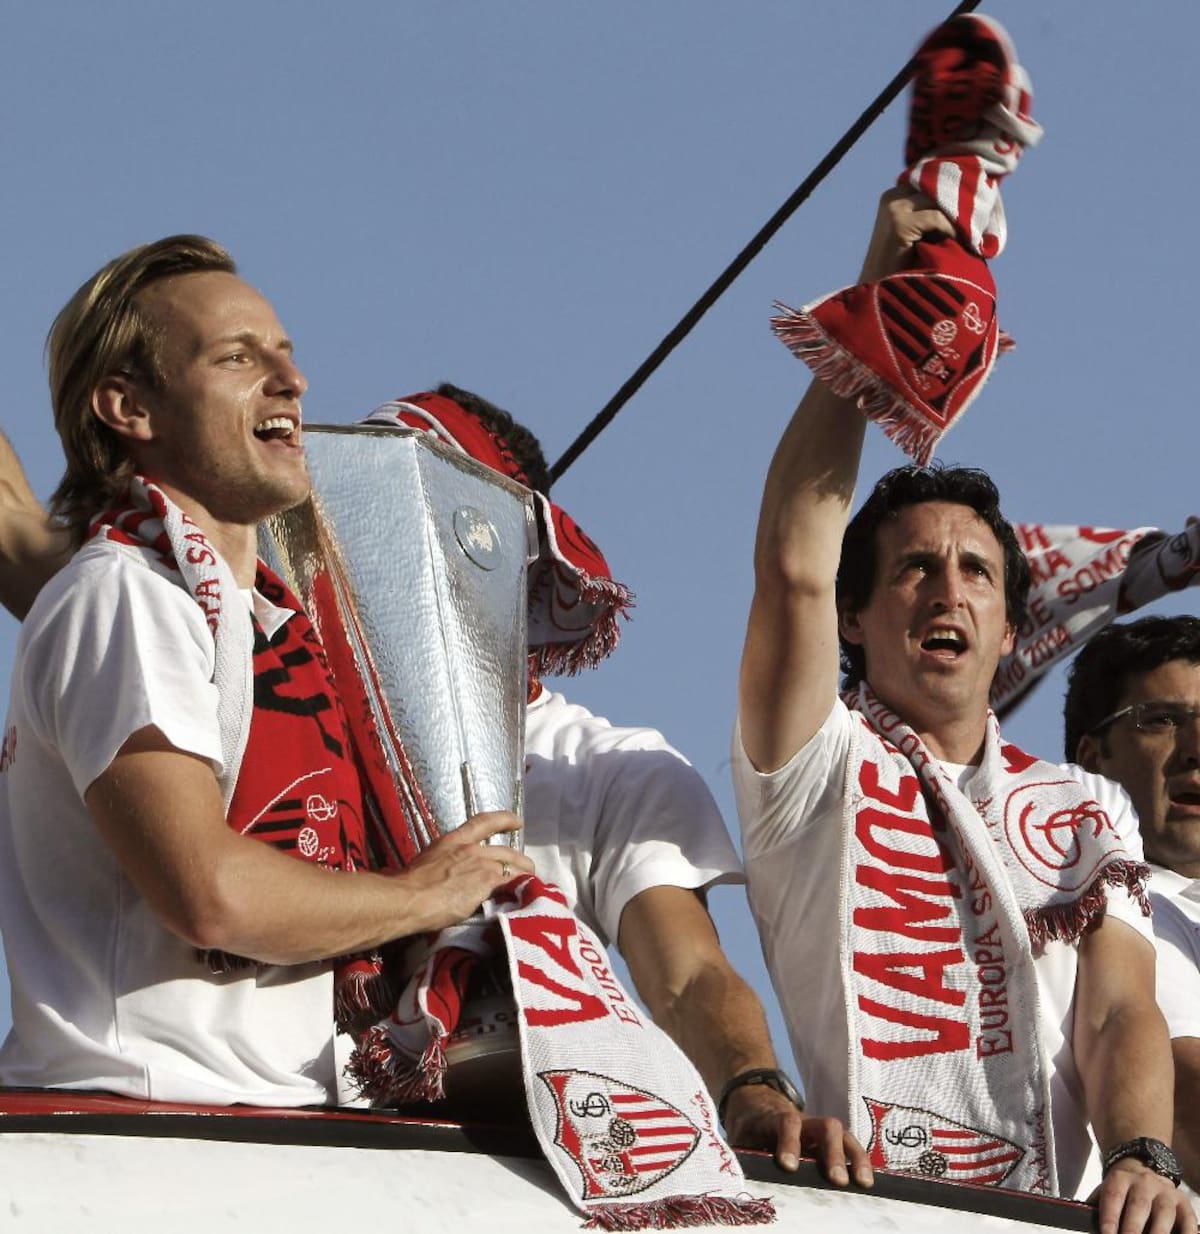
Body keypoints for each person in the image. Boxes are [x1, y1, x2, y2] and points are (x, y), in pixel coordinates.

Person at [733, 191, 1193, 1233]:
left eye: (978, 571)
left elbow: (1122, 1006)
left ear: (1006, 621)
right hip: (863, 1208)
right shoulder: (814, 757)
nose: (949, 590)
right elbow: (791, 565)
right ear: (853, 617)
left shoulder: (1082, 803)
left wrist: (1144, 1156)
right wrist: (878, 306)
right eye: (916, 569)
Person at [0, 236, 534, 1106]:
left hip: (257, 1118)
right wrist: (421, 897)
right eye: (238, 356)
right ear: (129, 408)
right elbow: (207, 895)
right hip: (142, 1123)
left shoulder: (269, 622)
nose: (292, 380)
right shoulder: (126, 596)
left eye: (285, 352)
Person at [359, 384, 871, 1183]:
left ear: (509, 554)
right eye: (363, 510)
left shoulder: (613, 764)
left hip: (525, 1173)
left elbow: (689, 974)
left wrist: (754, 1090)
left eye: (425, 516)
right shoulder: (276, 718)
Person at [1065, 615, 1200, 1194]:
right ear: (1093, 760)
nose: (1196, 749)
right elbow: (1190, 1107)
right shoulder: (1124, 902)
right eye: (1165, 721)